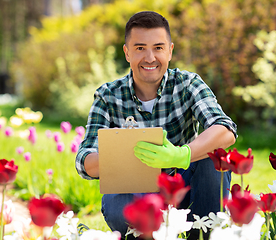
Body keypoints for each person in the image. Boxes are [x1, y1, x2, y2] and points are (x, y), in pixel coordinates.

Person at [76, 11, 237, 240]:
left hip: (185, 190)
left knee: (213, 161)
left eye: (158, 48)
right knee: (117, 201)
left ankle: (202, 235)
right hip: (137, 196)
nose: (150, 57)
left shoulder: (188, 84)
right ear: (127, 52)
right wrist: (122, 156)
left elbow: (225, 129)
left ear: (170, 50)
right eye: (140, 48)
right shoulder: (108, 96)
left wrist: (182, 154)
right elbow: (84, 160)